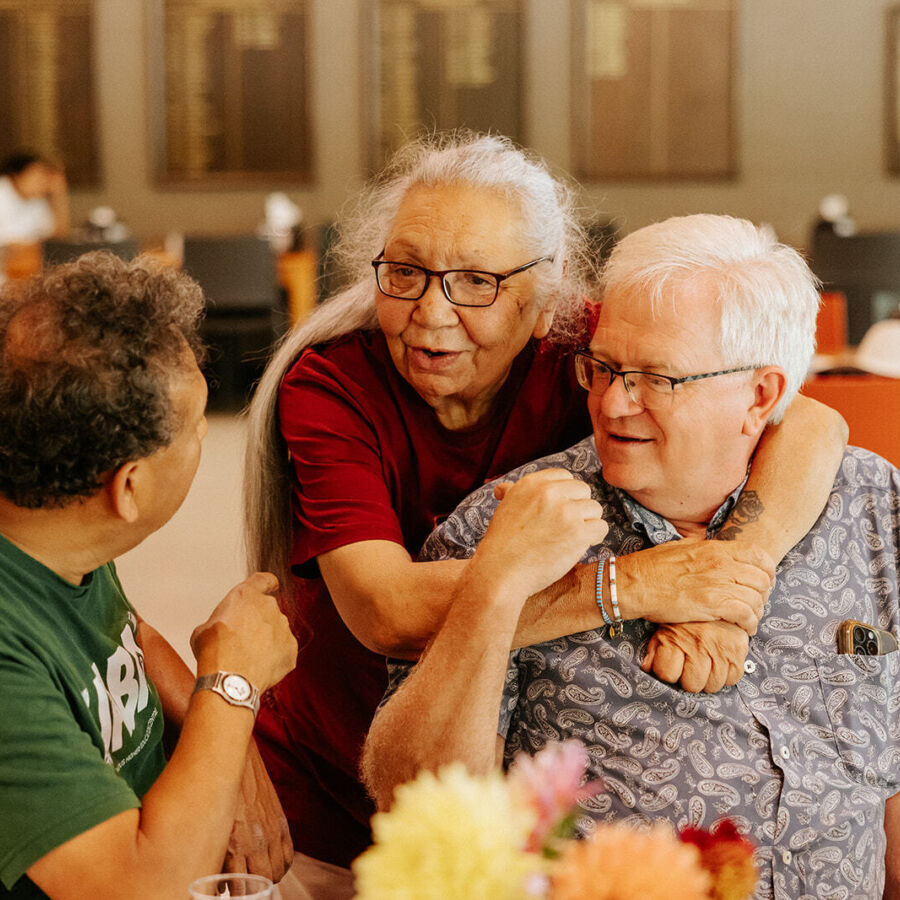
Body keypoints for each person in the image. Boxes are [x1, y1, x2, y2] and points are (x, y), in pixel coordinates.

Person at [243, 132, 847, 895]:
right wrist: (640, 584)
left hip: (503, 806)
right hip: (331, 785)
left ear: (547, 295)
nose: (431, 313)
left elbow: (812, 424)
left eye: (475, 281)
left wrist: (723, 590)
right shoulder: (333, 386)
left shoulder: (589, 351)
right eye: (405, 272)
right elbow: (386, 611)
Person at [363, 214, 900, 899]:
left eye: (656, 378)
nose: (613, 402)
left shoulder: (871, 504)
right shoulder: (508, 526)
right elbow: (414, 809)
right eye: (606, 367)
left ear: (760, 396)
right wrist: (497, 591)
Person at [0, 253, 298, 899]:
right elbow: (141, 890)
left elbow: (121, 632)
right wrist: (236, 681)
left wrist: (214, 721)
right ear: (129, 485)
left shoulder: (50, 524)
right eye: (195, 428)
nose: (204, 440)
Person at [0, 152, 70, 247]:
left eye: (45, 176)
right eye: (36, 176)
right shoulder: (3, 192)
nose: (43, 181)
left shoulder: (37, 200)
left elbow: (58, 234)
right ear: (16, 176)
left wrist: (58, 194)